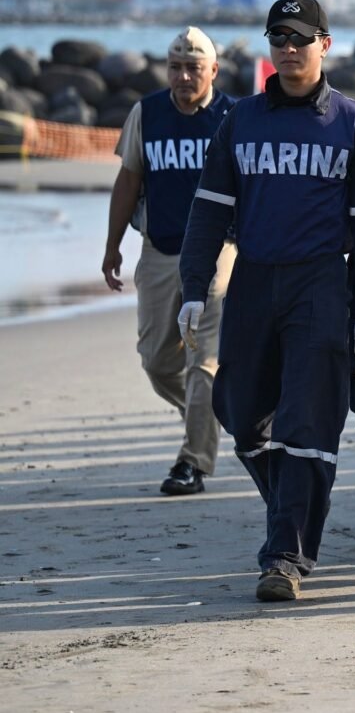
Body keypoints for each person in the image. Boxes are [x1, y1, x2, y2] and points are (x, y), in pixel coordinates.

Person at [178, 0, 355, 601]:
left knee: (306, 422)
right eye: (279, 39)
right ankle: (293, 500)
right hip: (253, 280)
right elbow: (208, 211)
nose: (289, 49)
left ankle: (285, 558)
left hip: (320, 284)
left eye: (300, 38)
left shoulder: (353, 123)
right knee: (238, 409)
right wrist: (194, 287)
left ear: (325, 44)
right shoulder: (240, 119)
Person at [103, 27, 236, 496]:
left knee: (204, 361)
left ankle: (192, 461)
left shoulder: (232, 118)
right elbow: (128, 180)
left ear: (213, 71)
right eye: (175, 67)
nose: (183, 76)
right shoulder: (147, 112)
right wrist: (112, 245)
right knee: (158, 362)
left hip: (219, 252)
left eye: (193, 68)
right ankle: (210, 414)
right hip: (159, 250)